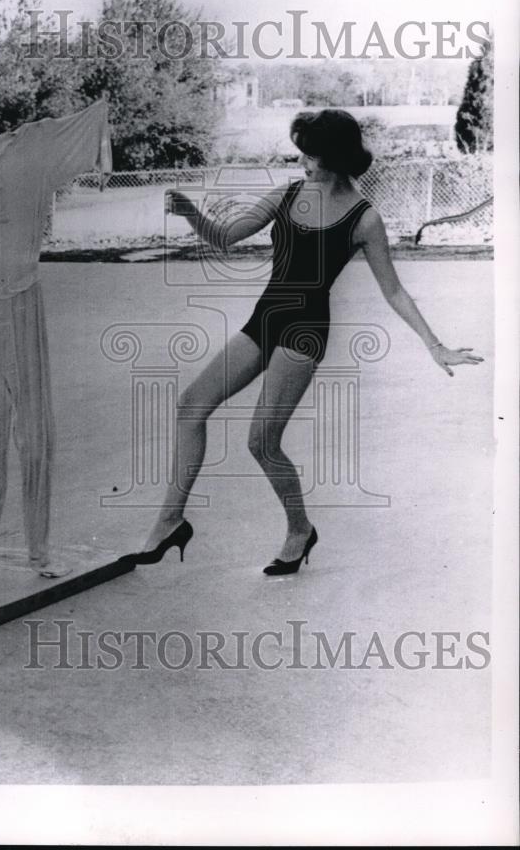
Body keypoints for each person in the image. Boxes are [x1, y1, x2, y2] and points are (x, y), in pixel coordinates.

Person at [129, 109, 483, 575]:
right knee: (191, 405)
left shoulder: (364, 219)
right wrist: (193, 213)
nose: (303, 164)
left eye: (311, 157)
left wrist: (434, 344)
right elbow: (225, 238)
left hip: (305, 330)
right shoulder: (289, 193)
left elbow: (393, 289)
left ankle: (300, 531)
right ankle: (171, 520)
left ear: (335, 159)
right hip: (266, 318)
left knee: (261, 443)